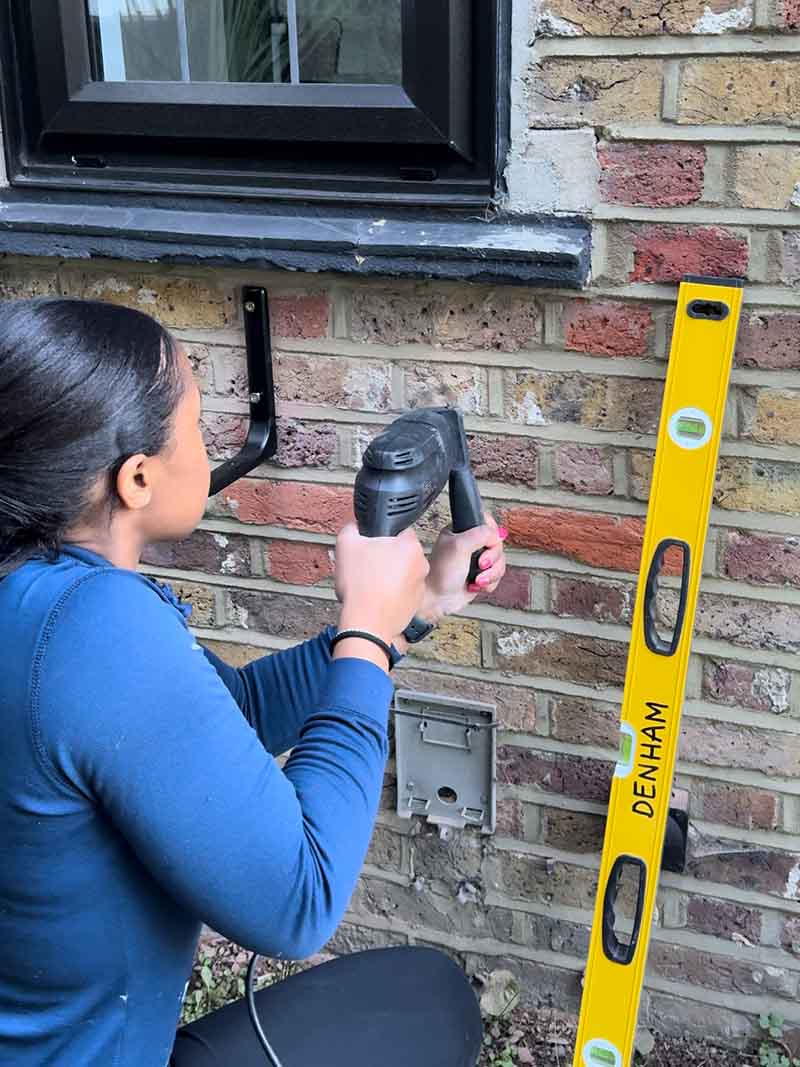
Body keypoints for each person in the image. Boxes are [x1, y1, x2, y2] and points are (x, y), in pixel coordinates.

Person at [0, 298, 508, 1067]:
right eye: (196, 429)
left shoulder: (37, 589)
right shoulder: (93, 627)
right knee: (429, 1000)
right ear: (136, 478)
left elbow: (225, 713)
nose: (208, 447)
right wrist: (365, 628)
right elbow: (299, 895)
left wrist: (411, 613)